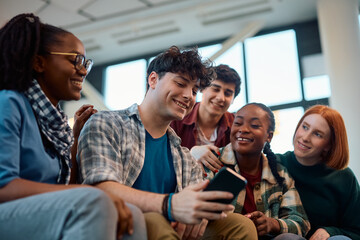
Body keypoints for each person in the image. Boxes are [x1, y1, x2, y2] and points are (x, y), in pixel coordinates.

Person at [77, 46, 257, 240]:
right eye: (181, 83)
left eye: (194, 90)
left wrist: (200, 213)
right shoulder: (107, 123)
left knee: (241, 225)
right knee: (154, 221)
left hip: (173, 229)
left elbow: (193, 204)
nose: (188, 95)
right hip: (120, 225)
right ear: (153, 79)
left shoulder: (183, 156)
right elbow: (100, 188)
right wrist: (169, 205)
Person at [0, 13, 146, 240]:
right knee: (96, 201)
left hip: (35, 212)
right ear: (39, 62)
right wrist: (88, 191)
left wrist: (75, 139)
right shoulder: (9, 102)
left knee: (132, 215)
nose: (84, 70)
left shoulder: (54, 122)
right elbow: (4, 187)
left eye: (86, 62)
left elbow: (63, 186)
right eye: (75, 60)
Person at [204, 103, 310, 239]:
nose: (243, 129)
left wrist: (273, 224)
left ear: (269, 136)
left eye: (254, 125)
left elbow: (301, 223)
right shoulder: (211, 161)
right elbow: (195, 213)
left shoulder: (280, 174)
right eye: (238, 123)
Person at [277, 105, 360, 240]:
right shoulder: (275, 164)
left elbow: (356, 230)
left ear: (329, 145)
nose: (305, 137)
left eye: (317, 134)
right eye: (304, 127)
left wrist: (331, 232)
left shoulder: (344, 177)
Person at [171, 64, 241, 175]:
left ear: (233, 99)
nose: (220, 98)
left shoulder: (236, 125)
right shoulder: (177, 117)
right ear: (202, 89)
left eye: (228, 93)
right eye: (215, 89)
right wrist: (191, 153)